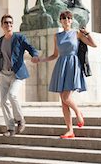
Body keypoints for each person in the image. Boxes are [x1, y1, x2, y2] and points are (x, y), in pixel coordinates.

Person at [37, 10, 96, 138]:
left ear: (71, 20)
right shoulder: (57, 36)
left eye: (68, 18)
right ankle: (70, 130)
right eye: (64, 18)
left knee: (66, 97)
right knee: (63, 101)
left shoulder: (77, 34)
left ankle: (78, 113)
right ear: (61, 21)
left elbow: (94, 44)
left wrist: (87, 33)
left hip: (73, 65)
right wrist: (41, 60)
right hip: (61, 66)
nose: (66, 20)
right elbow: (55, 55)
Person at [0, 14, 39, 137]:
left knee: (12, 95)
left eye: (10, 22)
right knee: (3, 101)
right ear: (2, 25)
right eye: (6, 22)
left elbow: (30, 47)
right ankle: (10, 128)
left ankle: (20, 120)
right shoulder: (1, 40)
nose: (8, 24)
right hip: (4, 74)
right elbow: (0, 58)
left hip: (17, 73)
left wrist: (35, 55)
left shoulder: (19, 37)